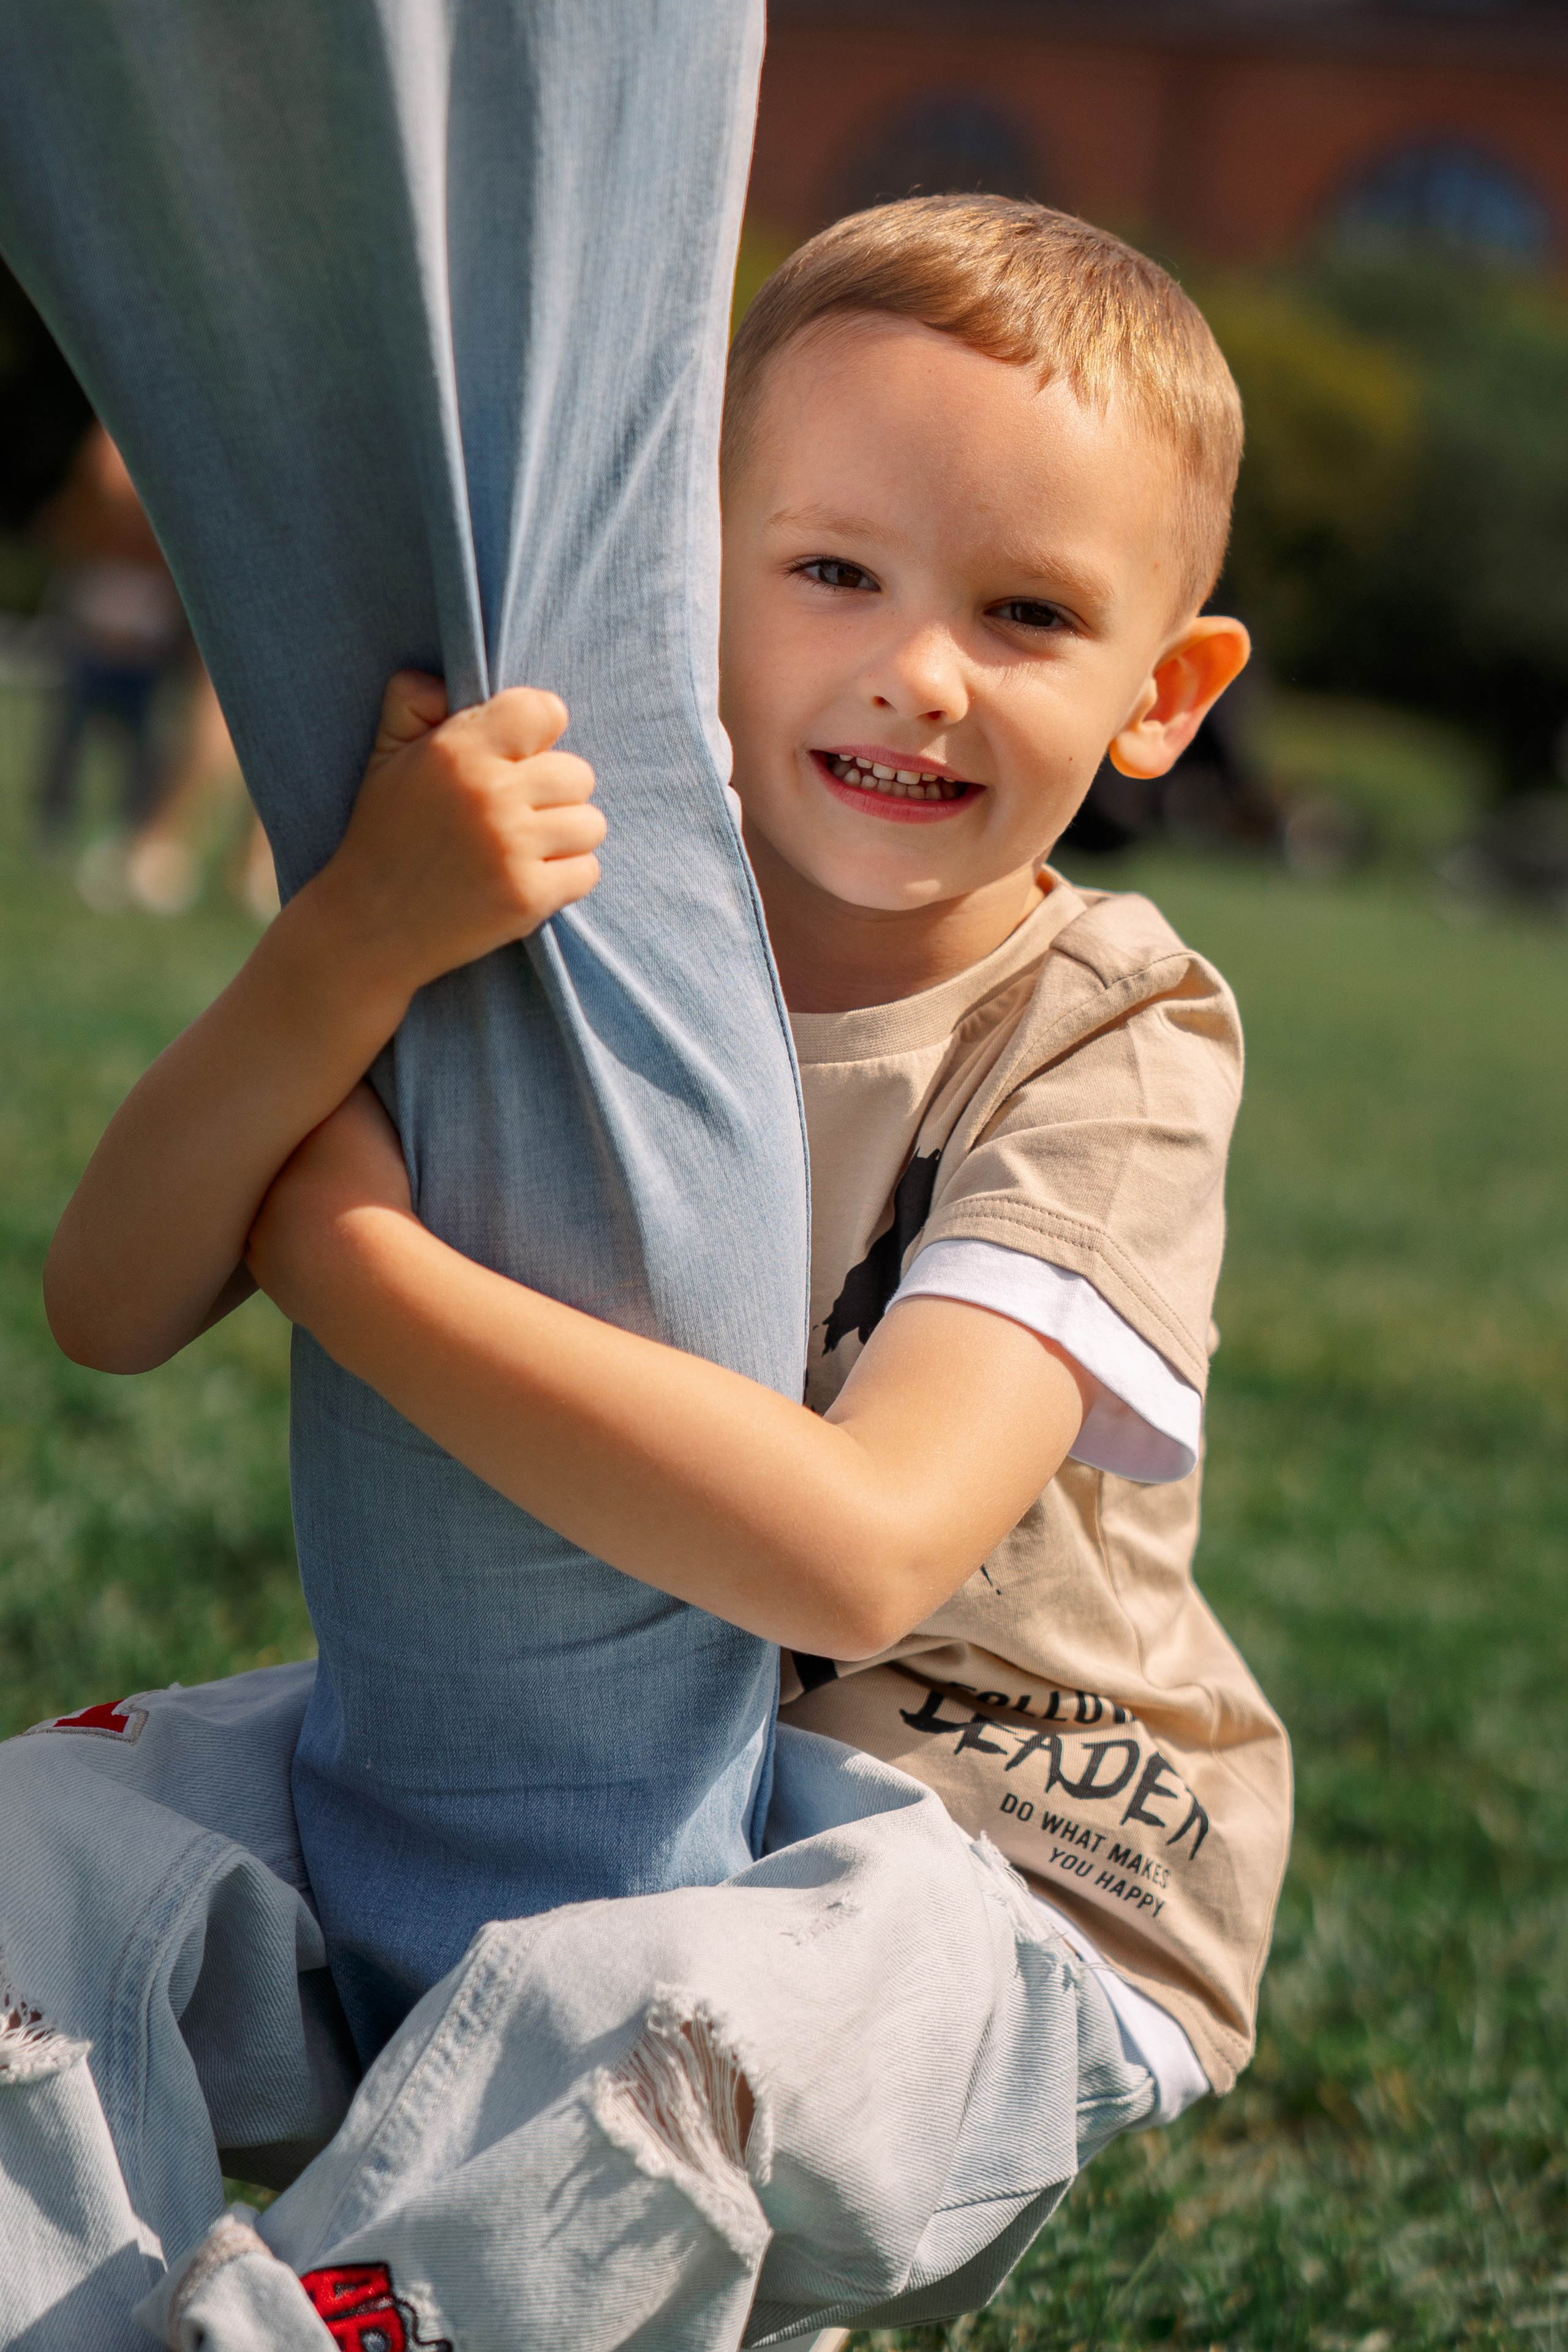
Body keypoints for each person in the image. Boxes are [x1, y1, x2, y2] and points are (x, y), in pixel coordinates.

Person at [14, 197, 1290, 2350]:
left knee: (637, 2037)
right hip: (519, 1743)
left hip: (973, 1869)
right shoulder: (540, 913)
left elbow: (863, 1555)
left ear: (1164, 693)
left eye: (1029, 611)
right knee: (42, 1842)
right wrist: (353, 946)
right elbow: (110, 1299)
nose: (919, 667)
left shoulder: (1110, 1040)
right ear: (684, 574)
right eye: (831, 571)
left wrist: (345, 1253)